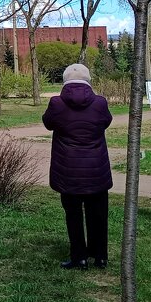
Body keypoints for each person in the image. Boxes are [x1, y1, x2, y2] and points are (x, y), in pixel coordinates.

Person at [42, 63, 113, 270]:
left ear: (65, 81)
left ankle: (79, 257)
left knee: (73, 214)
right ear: (88, 80)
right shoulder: (100, 103)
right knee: (98, 213)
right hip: (96, 168)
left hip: (68, 170)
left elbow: (48, 123)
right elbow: (105, 122)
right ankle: (100, 256)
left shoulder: (56, 103)